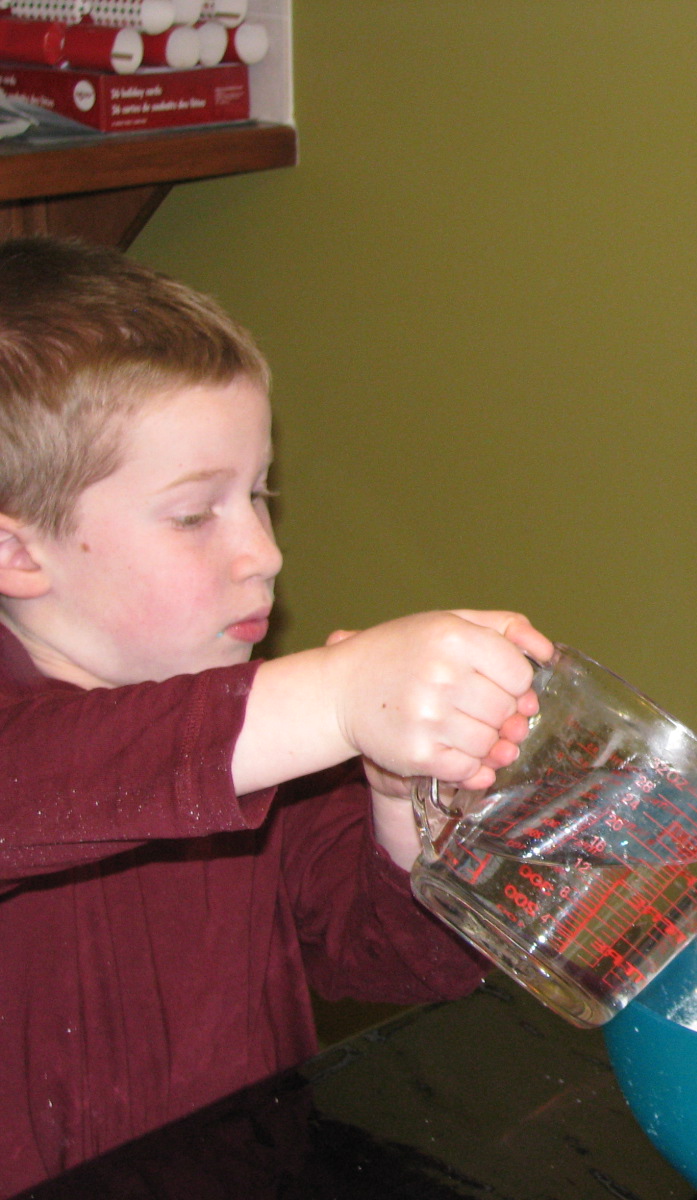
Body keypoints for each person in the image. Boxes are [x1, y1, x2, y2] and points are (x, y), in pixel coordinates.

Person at [0, 235, 554, 1193]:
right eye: (194, 514)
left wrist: (399, 802)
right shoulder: (223, 734)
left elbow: (390, 960)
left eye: (260, 494)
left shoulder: (254, 743)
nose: (265, 552)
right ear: (17, 554)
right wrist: (332, 695)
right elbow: (45, 786)